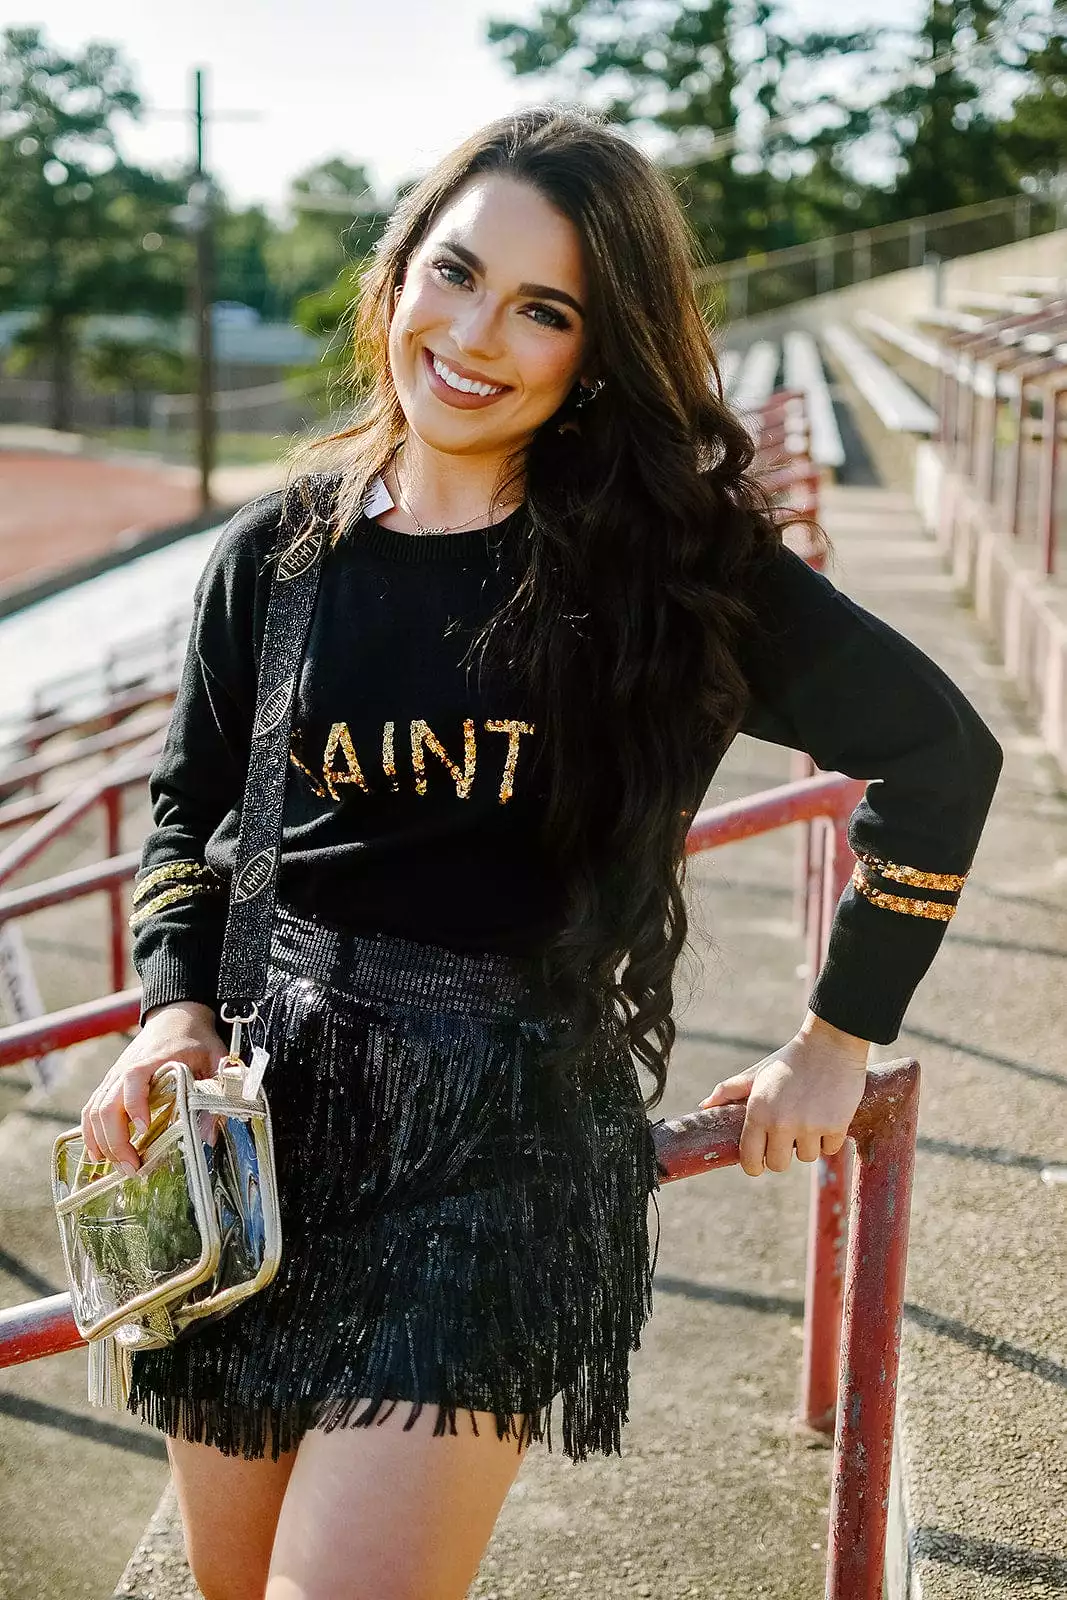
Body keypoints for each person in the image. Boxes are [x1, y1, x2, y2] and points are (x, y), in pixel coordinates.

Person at [79, 105, 1002, 1600]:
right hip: (259, 1137)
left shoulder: (665, 570)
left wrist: (839, 1038)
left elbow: (941, 754)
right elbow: (187, 813)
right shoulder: (280, 558)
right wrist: (172, 1010)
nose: (475, 334)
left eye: (543, 308)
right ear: (395, 277)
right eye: (453, 274)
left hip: (500, 1150)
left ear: (598, 344)